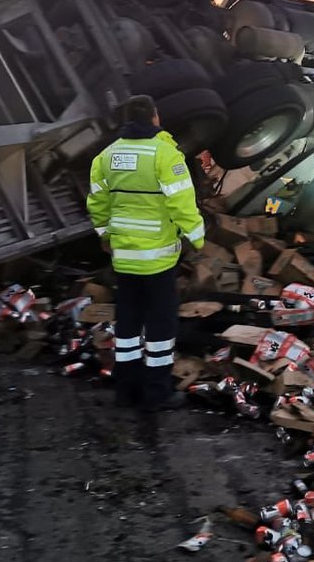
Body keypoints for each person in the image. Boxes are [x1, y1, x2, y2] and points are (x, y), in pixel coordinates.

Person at [85, 95, 205, 415]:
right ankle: (156, 392)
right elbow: (182, 203)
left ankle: (126, 389)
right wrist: (197, 239)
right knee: (160, 326)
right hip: (158, 259)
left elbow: (97, 204)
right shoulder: (166, 155)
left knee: (127, 323)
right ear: (154, 118)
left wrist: (104, 236)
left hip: (124, 257)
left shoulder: (106, 157)